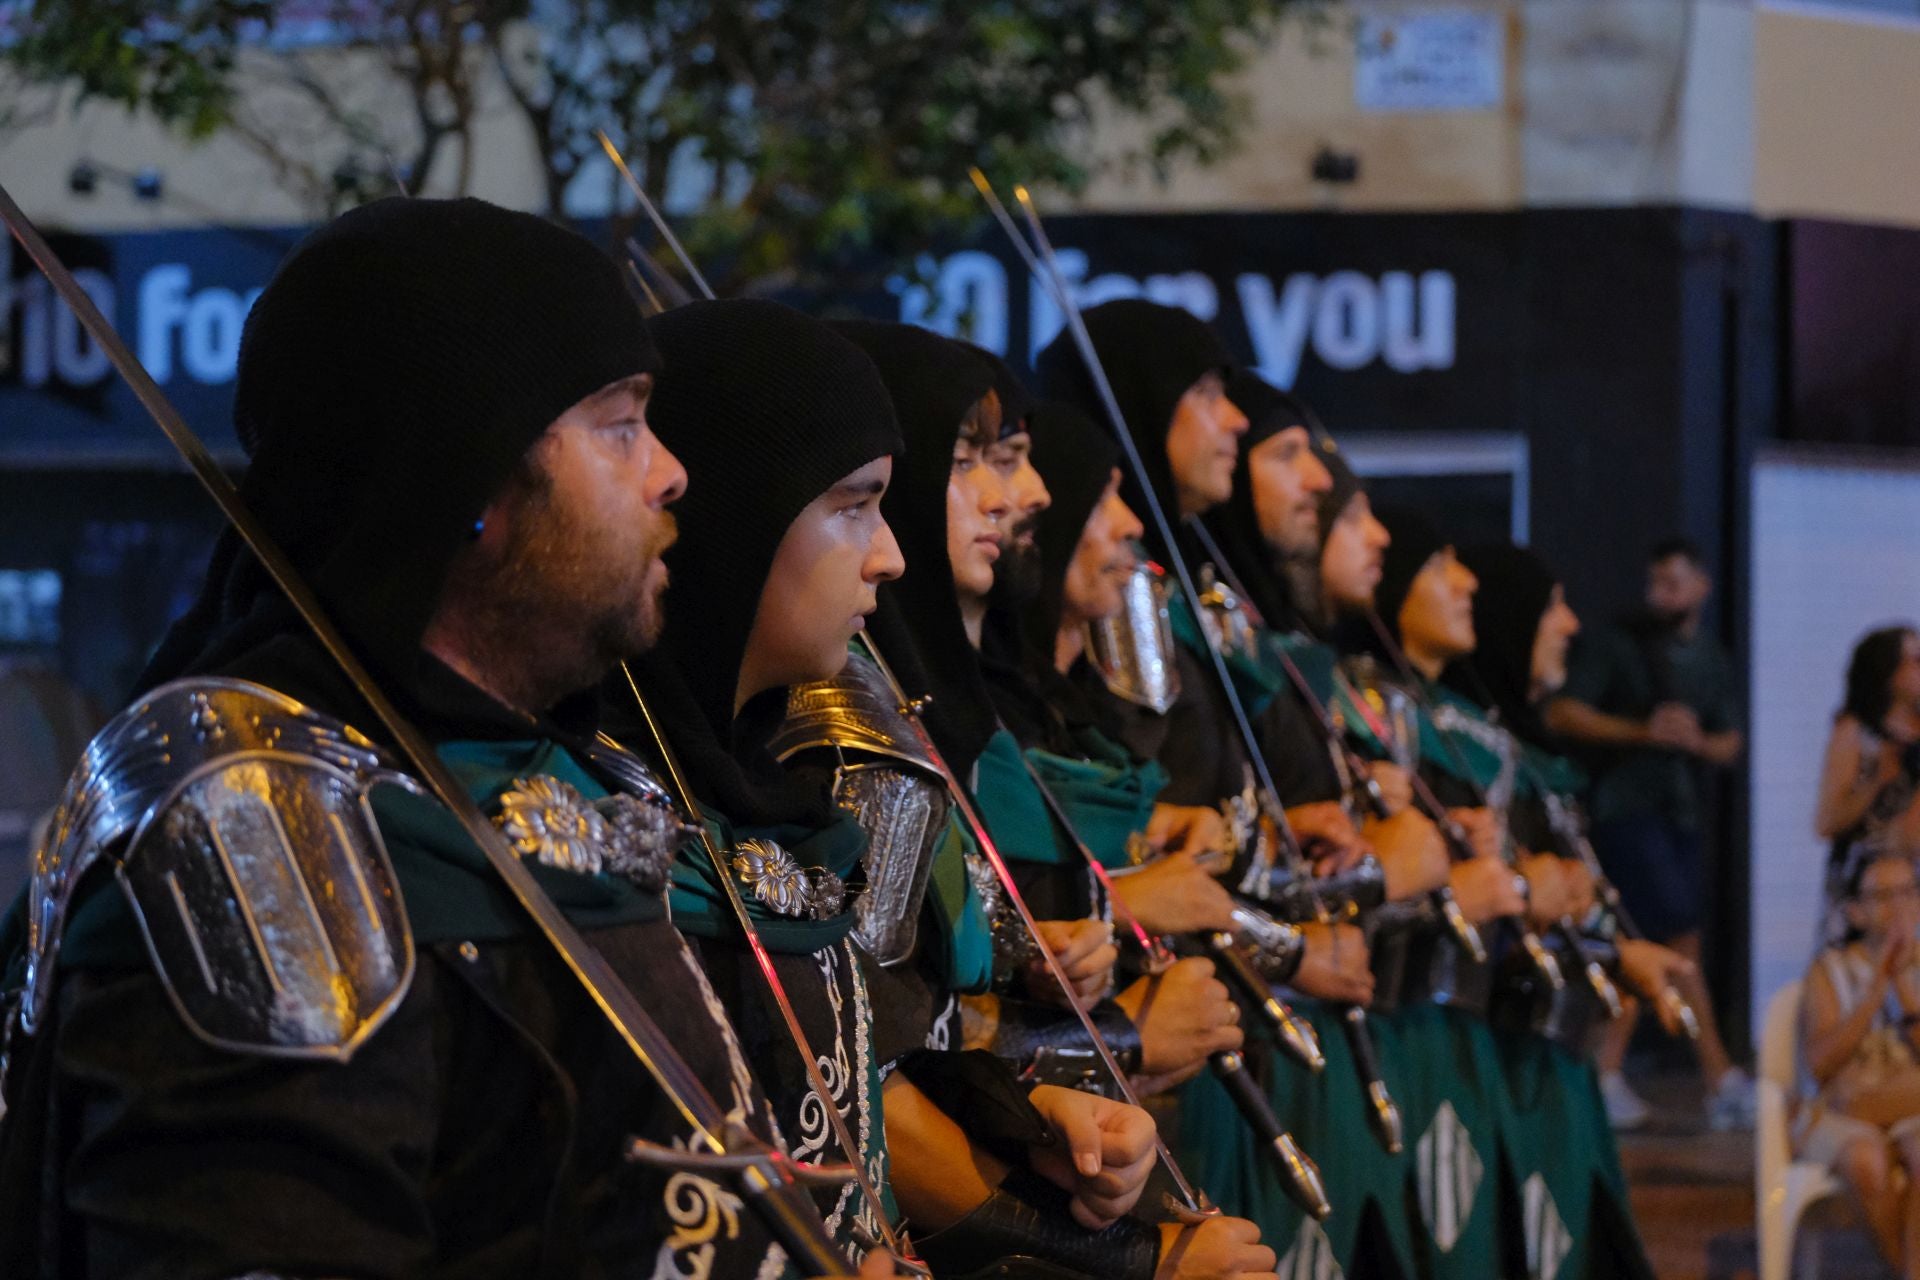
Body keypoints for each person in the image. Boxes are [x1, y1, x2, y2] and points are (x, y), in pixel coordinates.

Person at [0, 198, 903, 1278]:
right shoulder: (258, 834)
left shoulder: (580, 775)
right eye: (622, 425)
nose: (672, 472)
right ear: (474, 477)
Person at [608, 298, 1176, 1274]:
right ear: (742, 512)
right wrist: (1141, 1258)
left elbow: (858, 1077)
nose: (892, 551)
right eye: (856, 503)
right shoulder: (613, 809)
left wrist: (1026, 1111)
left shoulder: (774, 779)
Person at [1544, 536, 1752, 1130]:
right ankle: (1715, 1077)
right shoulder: (1618, 645)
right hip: (1626, 812)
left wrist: (1693, 742)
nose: (1661, 596)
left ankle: (1609, 1072)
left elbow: (1729, 741)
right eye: (1654, 583)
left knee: (1656, 943)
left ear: (1702, 586)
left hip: (1679, 813)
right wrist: (1643, 731)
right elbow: (1564, 712)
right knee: (1673, 939)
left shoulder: (1709, 657)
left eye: (1673, 583)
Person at [1800, 851, 1920, 1277]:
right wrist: (1874, 991)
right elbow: (1821, 1066)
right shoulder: (1828, 970)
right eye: (1882, 896)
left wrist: (1903, 985)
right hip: (1845, 1116)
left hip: (1906, 1109)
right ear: (1855, 910)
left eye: (1908, 891)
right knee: (1865, 1161)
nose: (1899, 906)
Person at [1817, 625, 1920, 937]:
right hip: (1865, 883)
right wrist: (1877, 781)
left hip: (1910, 875)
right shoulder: (1856, 732)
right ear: (1889, 670)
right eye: (1915, 660)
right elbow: (1827, 822)